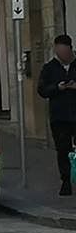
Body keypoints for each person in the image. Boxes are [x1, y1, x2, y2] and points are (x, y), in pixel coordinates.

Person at [37, 34, 76, 196]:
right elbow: (42, 90)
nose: (62, 56)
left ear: (70, 50)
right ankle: (66, 181)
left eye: (64, 52)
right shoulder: (50, 68)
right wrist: (57, 88)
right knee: (62, 149)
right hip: (59, 116)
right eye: (58, 52)